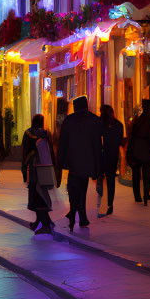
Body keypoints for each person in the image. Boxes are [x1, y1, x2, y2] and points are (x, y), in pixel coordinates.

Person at [57, 96, 100, 231]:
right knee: (82, 188)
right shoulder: (94, 120)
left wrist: (60, 162)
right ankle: (81, 216)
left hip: (73, 162)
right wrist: (97, 164)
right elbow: (97, 144)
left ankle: (75, 214)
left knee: (73, 189)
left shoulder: (69, 121)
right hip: (87, 162)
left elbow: (62, 144)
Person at [21, 114, 55, 235]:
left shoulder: (28, 133)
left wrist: (24, 168)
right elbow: (51, 151)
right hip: (46, 167)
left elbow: (24, 150)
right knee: (42, 193)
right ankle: (40, 221)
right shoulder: (46, 134)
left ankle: (45, 225)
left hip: (34, 168)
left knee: (36, 194)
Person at [126, 99, 150, 205]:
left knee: (136, 173)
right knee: (147, 173)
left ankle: (138, 196)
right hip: (146, 149)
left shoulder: (139, 119)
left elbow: (132, 134)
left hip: (137, 148)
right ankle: (146, 194)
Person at [97, 104, 124, 217]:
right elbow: (120, 142)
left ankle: (102, 201)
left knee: (100, 178)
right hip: (112, 156)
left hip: (101, 155)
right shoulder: (118, 125)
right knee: (110, 180)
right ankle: (109, 204)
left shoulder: (99, 124)